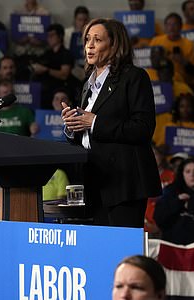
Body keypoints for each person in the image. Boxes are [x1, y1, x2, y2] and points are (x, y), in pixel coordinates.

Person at [61, 18, 161, 227]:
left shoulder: (134, 77)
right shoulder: (88, 84)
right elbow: (87, 133)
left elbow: (143, 129)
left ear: (114, 45)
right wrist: (72, 127)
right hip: (95, 179)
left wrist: (95, 122)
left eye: (97, 40)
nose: (89, 45)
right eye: (87, 39)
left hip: (124, 183)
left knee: (121, 253)